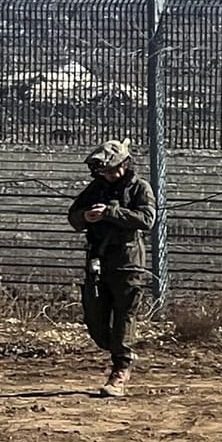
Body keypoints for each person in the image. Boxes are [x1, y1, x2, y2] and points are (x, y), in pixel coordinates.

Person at [67, 140, 157, 397]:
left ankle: (121, 367)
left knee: (124, 315)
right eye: (102, 172)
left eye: (109, 170)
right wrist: (86, 216)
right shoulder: (95, 189)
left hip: (127, 263)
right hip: (98, 261)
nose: (105, 175)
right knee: (95, 317)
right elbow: (73, 215)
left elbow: (146, 219)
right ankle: (115, 347)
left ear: (124, 165)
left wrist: (111, 213)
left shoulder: (139, 188)